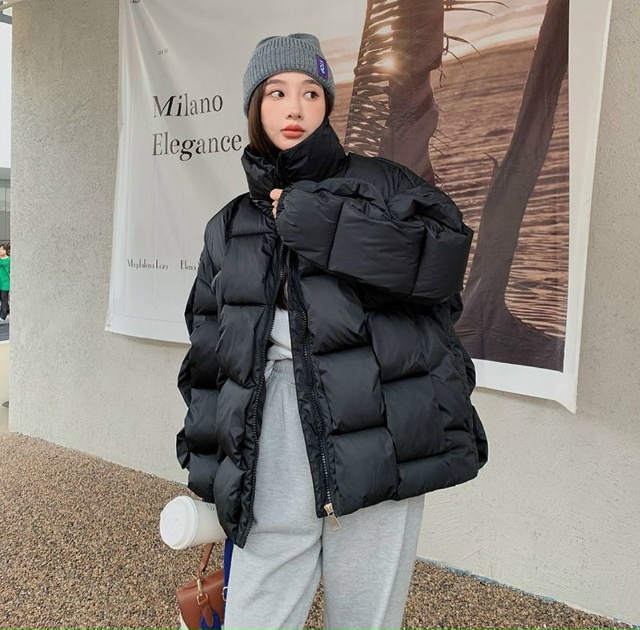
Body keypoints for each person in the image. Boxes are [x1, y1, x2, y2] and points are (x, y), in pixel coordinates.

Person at [177, 34, 488, 630]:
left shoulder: (381, 185)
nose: (293, 108)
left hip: (380, 433)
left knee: (365, 618)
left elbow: (442, 262)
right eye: (276, 93)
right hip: (269, 433)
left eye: (310, 93)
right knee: (257, 614)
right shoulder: (228, 225)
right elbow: (210, 353)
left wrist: (319, 221)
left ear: (326, 105)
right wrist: (212, 463)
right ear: (254, 106)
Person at [0, 243, 9, 324]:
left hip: (6, 282)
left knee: (4, 298)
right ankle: (7, 309)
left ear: (6, 250)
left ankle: (2, 316)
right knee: (2, 299)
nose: (0, 251)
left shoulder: (9, 260)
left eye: (2, 249)